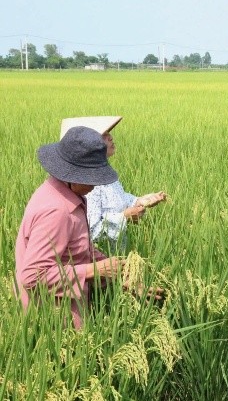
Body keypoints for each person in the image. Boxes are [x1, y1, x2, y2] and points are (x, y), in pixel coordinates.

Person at [15, 126, 123, 329]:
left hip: (68, 309)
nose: (95, 185)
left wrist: (116, 272)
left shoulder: (64, 193)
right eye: (91, 177)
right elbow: (32, 276)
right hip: (52, 323)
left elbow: (78, 249)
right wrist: (94, 270)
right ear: (73, 175)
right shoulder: (57, 210)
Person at [60, 117, 167, 254]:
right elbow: (89, 232)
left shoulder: (105, 173)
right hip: (99, 264)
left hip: (115, 258)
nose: (110, 137)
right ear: (87, 147)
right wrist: (124, 218)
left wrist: (140, 200)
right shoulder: (86, 184)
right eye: (104, 135)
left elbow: (117, 198)